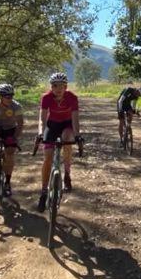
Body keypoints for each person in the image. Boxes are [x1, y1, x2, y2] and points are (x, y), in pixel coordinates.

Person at [37, 71, 80, 211]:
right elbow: (42, 119)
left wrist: (77, 135)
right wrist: (40, 133)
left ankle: (67, 174)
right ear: (51, 87)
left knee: (68, 139)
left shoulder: (72, 97)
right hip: (52, 125)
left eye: (61, 85)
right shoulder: (46, 97)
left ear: (66, 86)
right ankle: (44, 191)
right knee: (47, 158)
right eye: (55, 85)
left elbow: (75, 118)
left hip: (67, 124)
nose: (58, 88)